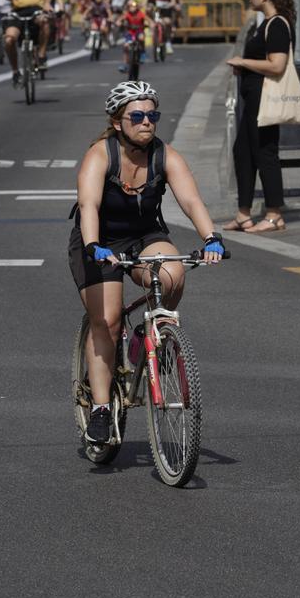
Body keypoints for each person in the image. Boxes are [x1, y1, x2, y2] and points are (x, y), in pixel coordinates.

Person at [70, 81, 224, 444]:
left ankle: (149, 333)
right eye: (136, 116)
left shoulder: (165, 155)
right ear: (117, 121)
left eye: (151, 115)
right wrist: (94, 245)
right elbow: (89, 205)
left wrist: (210, 237)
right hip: (99, 241)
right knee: (106, 322)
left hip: (144, 237)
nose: (146, 122)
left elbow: (192, 201)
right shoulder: (99, 154)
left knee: (172, 275)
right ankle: (102, 408)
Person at [225, 0, 296, 234]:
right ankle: (244, 213)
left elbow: (277, 65)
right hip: (254, 98)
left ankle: (274, 214)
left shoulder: (276, 24)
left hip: (266, 98)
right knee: (242, 151)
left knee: (265, 153)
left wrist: (243, 62)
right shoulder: (264, 23)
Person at [116, 0, 147, 71]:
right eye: (130, 7)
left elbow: (148, 19)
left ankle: (142, 53)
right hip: (130, 33)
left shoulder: (140, 13)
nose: (132, 8)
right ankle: (125, 64)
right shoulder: (127, 14)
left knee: (141, 38)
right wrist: (118, 22)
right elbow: (120, 20)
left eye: (134, 6)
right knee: (126, 46)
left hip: (139, 31)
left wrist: (151, 24)